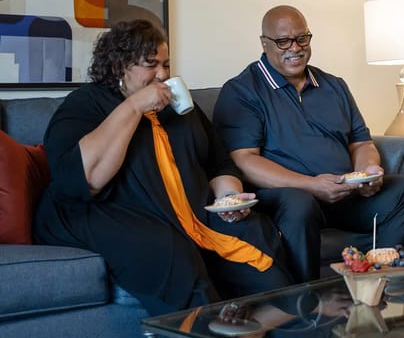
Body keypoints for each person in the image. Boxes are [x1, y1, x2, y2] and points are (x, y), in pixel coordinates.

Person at [32, 20, 294, 316]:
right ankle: (201, 327)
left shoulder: (177, 104)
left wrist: (227, 198)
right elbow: (84, 180)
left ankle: (285, 321)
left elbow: (218, 162)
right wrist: (133, 107)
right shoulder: (84, 104)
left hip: (184, 209)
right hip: (100, 210)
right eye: (151, 64)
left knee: (250, 230)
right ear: (120, 66)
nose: (163, 75)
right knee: (167, 250)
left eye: (166, 65)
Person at [213, 5, 404, 283]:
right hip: (288, 197)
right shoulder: (242, 91)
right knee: (299, 202)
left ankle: (393, 290)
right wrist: (311, 185)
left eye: (303, 38)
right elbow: (244, 159)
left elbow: (360, 143)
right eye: (283, 41)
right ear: (264, 43)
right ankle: (305, 305)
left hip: (343, 193)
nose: (296, 47)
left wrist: (368, 172)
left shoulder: (333, 85)